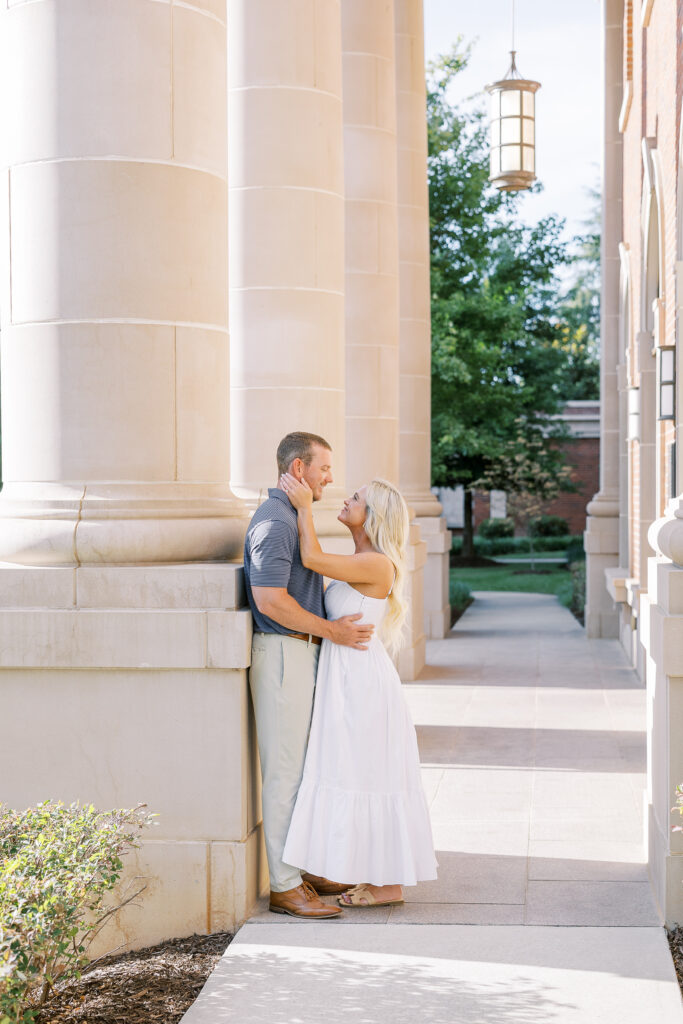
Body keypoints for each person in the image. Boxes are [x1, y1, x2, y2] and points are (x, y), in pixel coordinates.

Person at [280, 473, 438, 908]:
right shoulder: (362, 558)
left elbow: (310, 556)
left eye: (356, 498)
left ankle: (388, 886)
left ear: (374, 516)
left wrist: (303, 507)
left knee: (367, 774)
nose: (346, 499)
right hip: (347, 679)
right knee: (356, 772)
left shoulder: (377, 564)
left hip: (362, 686)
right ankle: (377, 879)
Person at [243, 431, 373, 920]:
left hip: (298, 654)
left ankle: (300, 868)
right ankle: (284, 885)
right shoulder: (274, 524)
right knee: (285, 775)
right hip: (282, 655)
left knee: (302, 770)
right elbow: (270, 599)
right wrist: (330, 631)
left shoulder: (289, 517)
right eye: (324, 468)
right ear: (299, 469)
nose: (331, 478)